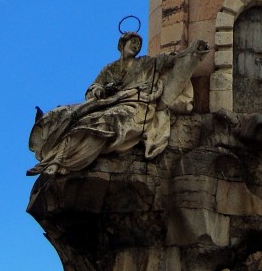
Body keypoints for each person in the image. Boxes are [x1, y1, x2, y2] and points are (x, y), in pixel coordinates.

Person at [27, 32, 209, 175]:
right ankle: (54, 156)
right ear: (122, 45)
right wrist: (99, 90)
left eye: (138, 44)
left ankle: (65, 161)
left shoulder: (147, 62)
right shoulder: (110, 68)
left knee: (106, 122)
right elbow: (93, 87)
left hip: (136, 105)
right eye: (133, 42)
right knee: (70, 115)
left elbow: (171, 59)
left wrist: (193, 51)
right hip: (110, 102)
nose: (136, 46)